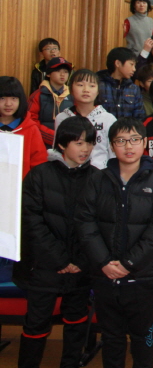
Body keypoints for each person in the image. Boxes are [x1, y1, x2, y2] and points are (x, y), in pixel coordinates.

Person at [76, 117, 153, 368]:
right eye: (121, 141)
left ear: (144, 143)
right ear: (111, 146)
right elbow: (85, 223)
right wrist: (103, 262)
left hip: (143, 277)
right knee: (111, 337)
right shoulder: (97, 181)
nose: (128, 146)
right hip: (104, 276)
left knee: (144, 338)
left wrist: (129, 263)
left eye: (134, 140)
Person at [14, 117, 98, 368]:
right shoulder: (39, 175)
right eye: (78, 143)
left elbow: (101, 226)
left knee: (76, 320)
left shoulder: (98, 178)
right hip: (44, 266)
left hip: (81, 266)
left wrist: (81, 260)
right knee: (36, 323)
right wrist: (60, 260)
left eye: (89, 143)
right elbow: (31, 222)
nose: (85, 149)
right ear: (61, 144)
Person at [55, 70, 116, 169]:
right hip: (68, 172)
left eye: (92, 86)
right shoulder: (62, 118)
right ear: (71, 89)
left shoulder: (108, 119)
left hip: (100, 173)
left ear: (98, 91)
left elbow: (113, 153)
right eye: (80, 85)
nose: (86, 90)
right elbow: (57, 150)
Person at [1, 75, 48, 177]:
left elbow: (39, 164)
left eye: (14, 98)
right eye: (2, 98)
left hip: (23, 185)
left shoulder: (31, 128)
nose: (8, 104)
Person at [28, 56, 74, 148]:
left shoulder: (72, 95)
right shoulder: (38, 95)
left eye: (66, 72)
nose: (62, 74)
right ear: (48, 74)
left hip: (66, 144)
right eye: (58, 71)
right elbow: (31, 120)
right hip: (41, 143)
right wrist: (51, 136)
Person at [98, 47, 146, 120]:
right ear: (118, 63)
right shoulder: (99, 85)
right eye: (131, 64)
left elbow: (140, 117)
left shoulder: (134, 89)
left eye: (135, 65)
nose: (134, 69)